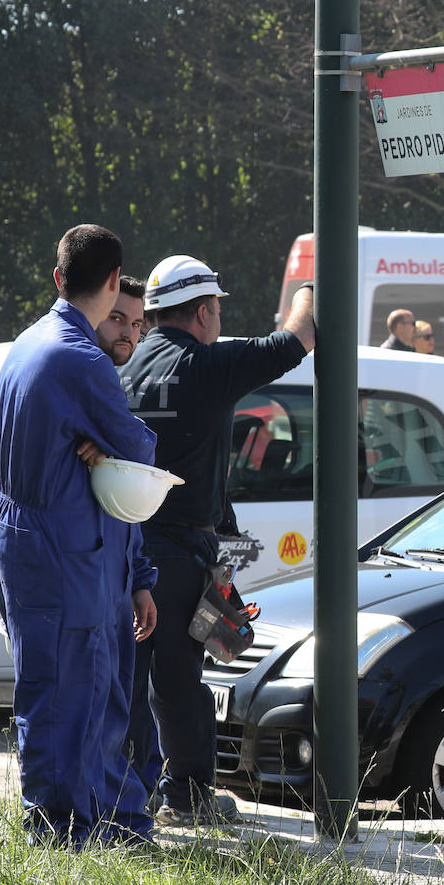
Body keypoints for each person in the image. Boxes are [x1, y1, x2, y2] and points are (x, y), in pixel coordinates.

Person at [121, 253, 316, 825]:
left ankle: (132, 793)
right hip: (177, 556)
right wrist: (309, 281)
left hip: (126, 552)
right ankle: (188, 794)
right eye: (218, 311)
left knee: (131, 680)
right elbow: (299, 334)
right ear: (205, 312)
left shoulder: (125, 369)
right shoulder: (207, 365)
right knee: (181, 681)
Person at [0, 223, 159, 845]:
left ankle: (108, 821)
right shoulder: (80, 358)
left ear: (59, 277)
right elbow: (139, 450)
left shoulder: (31, 340)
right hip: (64, 551)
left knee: (65, 689)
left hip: (36, 540)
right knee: (68, 696)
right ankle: (64, 833)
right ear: (114, 281)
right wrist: (107, 448)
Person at [88, 273, 163, 799]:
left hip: (115, 577)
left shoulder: (110, 383)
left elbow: (125, 506)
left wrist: (140, 582)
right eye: (119, 318)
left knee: (118, 705)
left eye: (138, 324)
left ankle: (119, 811)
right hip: (78, 574)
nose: (129, 334)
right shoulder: (74, 373)